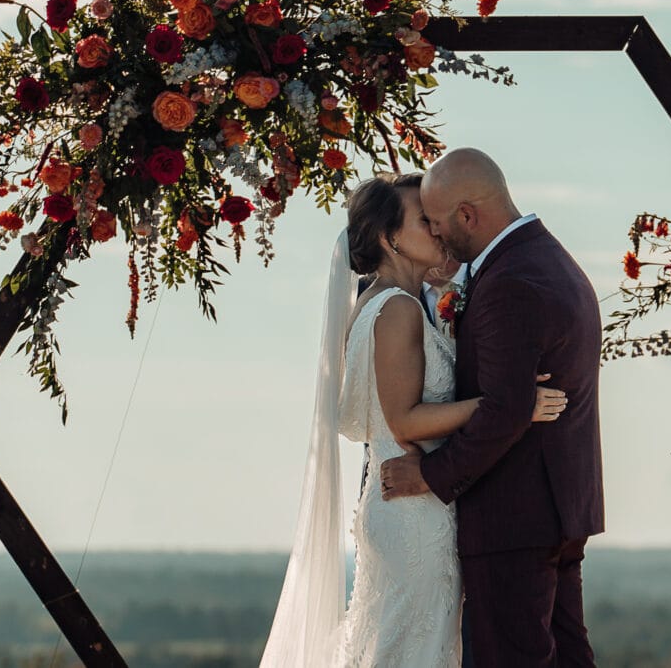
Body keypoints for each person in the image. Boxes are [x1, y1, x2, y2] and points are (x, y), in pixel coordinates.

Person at [259, 172, 566, 667]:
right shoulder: (398, 309)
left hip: (397, 506)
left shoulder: (382, 303)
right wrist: (509, 406)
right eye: (424, 221)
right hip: (414, 515)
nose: (439, 229)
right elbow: (404, 420)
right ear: (389, 237)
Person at [380, 149, 605, 667]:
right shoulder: (547, 258)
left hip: (515, 515)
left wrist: (430, 475)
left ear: (467, 215)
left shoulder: (510, 281)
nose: (436, 236)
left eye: (437, 223)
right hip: (558, 506)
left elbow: (507, 409)